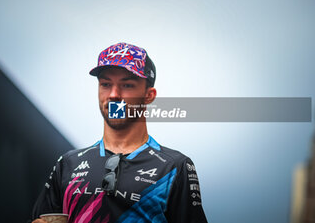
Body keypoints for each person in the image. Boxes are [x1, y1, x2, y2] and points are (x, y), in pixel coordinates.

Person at [31, 42, 208, 222]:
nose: (114, 94)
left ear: (149, 95)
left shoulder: (174, 168)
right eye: (106, 84)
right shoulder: (68, 164)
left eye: (127, 85)